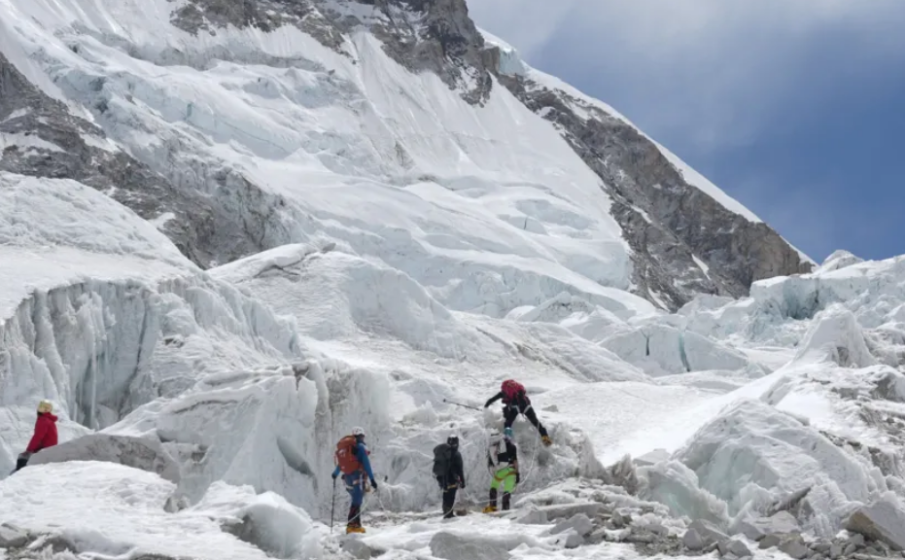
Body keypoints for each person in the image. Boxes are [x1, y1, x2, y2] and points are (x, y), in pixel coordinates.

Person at [332, 427, 378, 534]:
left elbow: (341, 464)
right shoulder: (361, 447)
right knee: (357, 500)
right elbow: (366, 464)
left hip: (347, 477)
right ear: (361, 436)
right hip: (357, 475)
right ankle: (352, 526)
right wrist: (372, 479)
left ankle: (356, 525)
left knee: (355, 500)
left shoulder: (348, 448)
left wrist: (335, 474)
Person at [484, 380, 552, 446]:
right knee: (536, 422)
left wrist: (485, 406)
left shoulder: (503, 393)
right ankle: (545, 437)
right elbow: (522, 398)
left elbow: (491, 400)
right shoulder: (519, 390)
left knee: (508, 423)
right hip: (527, 407)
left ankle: (507, 438)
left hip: (515, 409)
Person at [15, 399, 58, 472]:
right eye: (40, 408)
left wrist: (29, 450)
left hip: (46, 449)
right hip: (49, 447)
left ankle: (19, 475)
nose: (39, 410)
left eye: (41, 408)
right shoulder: (48, 420)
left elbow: (38, 437)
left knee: (22, 458)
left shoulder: (43, 420)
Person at [483, 428, 519, 513]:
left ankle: (493, 506)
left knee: (494, 486)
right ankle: (505, 509)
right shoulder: (512, 446)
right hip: (511, 470)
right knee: (507, 490)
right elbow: (515, 461)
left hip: (500, 470)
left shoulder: (498, 444)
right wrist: (517, 473)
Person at [432, 434, 465, 519]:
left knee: (446, 494)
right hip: (452, 478)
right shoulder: (456, 454)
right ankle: (449, 514)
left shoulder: (444, 453)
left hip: (443, 478)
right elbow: (460, 469)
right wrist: (463, 481)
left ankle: (446, 511)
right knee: (451, 495)